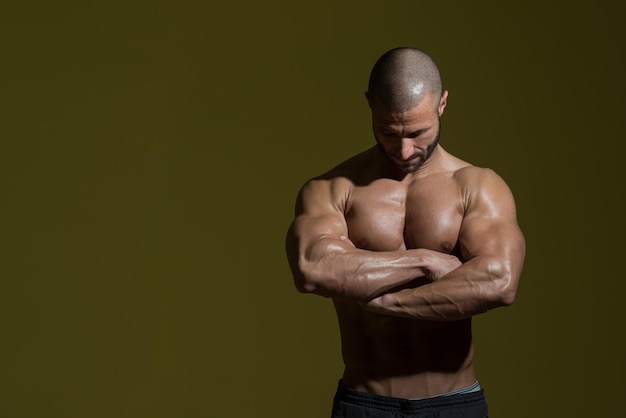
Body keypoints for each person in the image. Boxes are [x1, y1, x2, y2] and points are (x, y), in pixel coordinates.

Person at [285, 47, 525, 418]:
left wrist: (388, 303)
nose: (404, 149)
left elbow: (499, 281)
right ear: (370, 104)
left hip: (454, 403)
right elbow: (313, 268)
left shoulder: (478, 186)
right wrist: (426, 260)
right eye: (388, 132)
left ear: (442, 104)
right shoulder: (333, 189)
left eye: (418, 133)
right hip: (364, 403)